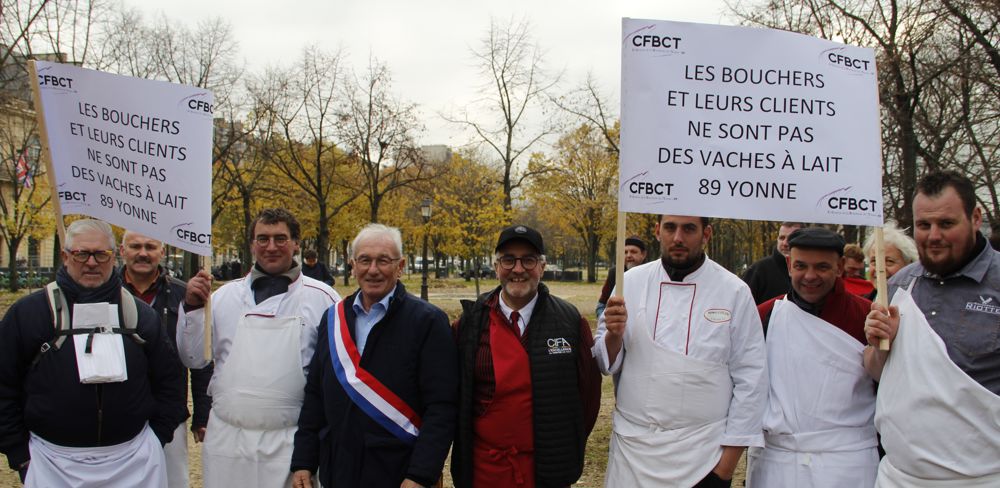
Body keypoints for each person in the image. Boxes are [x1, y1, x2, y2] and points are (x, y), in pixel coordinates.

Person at [0, 219, 186, 487]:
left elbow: (170, 381)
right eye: (81, 254)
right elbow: (4, 385)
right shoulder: (29, 314)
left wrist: (157, 437)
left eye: (100, 254)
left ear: (113, 257)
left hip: (134, 463)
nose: (91, 262)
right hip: (52, 463)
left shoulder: (140, 316)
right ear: (65, 256)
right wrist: (19, 454)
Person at [596, 214, 767, 487]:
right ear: (657, 231)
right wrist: (613, 336)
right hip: (633, 450)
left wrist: (725, 468)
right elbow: (605, 363)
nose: (678, 238)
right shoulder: (630, 283)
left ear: (706, 234)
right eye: (670, 228)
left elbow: (752, 378)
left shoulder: (733, 291)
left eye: (688, 229)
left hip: (704, 455)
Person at [177, 208, 340, 488]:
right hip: (227, 442)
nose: (271, 247)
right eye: (263, 239)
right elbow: (192, 357)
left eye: (280, 238)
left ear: (296, 243)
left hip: (291, 443)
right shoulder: (223, 297)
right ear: (252, 244)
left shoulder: (324, 299)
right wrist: (192, 307)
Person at [290, 224, 457, 488]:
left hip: (399, 472)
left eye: (384, 260)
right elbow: (315, 396)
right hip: (339, 468)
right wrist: (303, 460)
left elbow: (442, 406)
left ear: (400, 266)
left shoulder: (428, 321)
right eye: (365, 260)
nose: (373, 270)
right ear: (353, 266)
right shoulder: (332, 319)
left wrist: (420, 475)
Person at [865, 170, 1000, 486]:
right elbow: (875, 371)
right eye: (924, 225)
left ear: (975, 218)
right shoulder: (899, 284)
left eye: (946, 223)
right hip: (898, 477)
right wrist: (879, 344)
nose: (934, 235)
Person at [452, 224, 601, 488]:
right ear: (497, 267)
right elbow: (453, 396)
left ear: (542, 266)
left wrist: (564, 446)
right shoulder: (470, 323)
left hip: (546, 471)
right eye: (508, 259)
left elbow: (588, 396)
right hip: (485, 469)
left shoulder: (570, 322)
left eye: (528, 260)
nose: (518, 269)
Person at [747, 227, 878, 487]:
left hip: (847, 463)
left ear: (840, 267)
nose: (809, 276)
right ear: (789, 265)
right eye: (801, 266)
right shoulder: (765, 316)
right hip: (777, 461)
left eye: (822, 267)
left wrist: (881, 346)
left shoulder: (867, 317)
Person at [121, 231, 214, 488]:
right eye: (135, 246)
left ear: (162, 252)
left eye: (150, 246)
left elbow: (200, 358)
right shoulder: (106, 292)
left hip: (169, 411)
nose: (143, 253)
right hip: (118, 411)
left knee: (172, 481)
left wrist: (203, 415)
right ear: (122, 251)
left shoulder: (184, 294)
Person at [742, 222, 803, 304]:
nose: (785, 243)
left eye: (791, 238)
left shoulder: (811, 271)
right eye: (782, 238)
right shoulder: (758, 271)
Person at [861, 222, 917, 301]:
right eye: (874, 261)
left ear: (908, 265)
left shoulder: (920, 303)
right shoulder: (863, 304)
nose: (879, 269)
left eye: (889, 261)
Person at [596, 236, 647, 318]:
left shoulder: (651, 274)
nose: (628, 255)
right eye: (625, 252)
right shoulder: (614, 273)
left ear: (643, 254)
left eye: (633, 252)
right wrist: (606, 321)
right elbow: (601, 305)